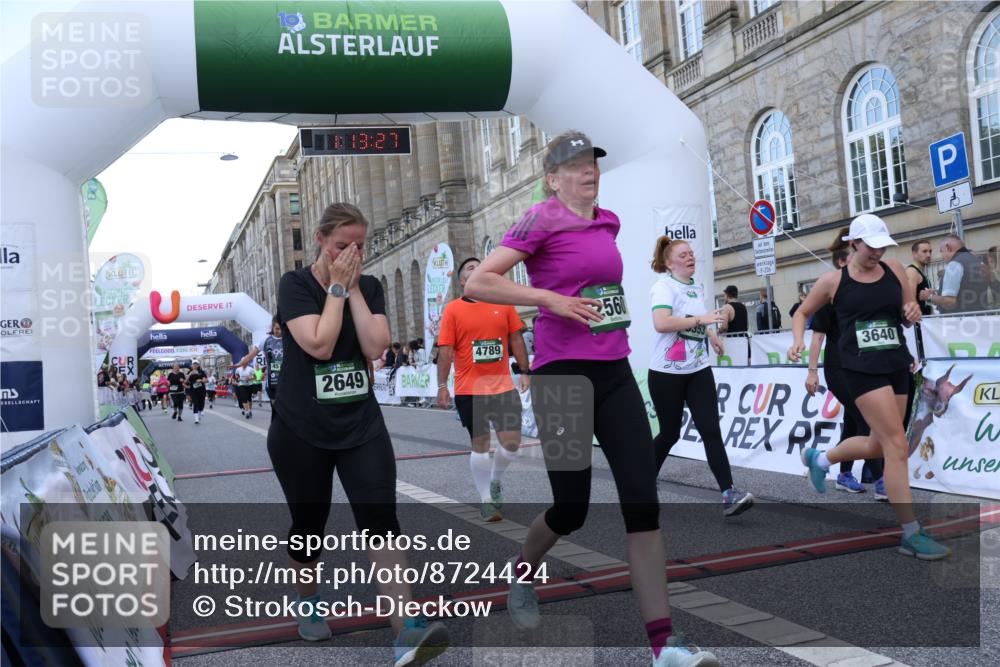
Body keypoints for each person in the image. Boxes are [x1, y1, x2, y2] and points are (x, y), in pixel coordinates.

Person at [465, 131, 718, 666]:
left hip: (615, 372)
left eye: (593, 163)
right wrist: (547, 299)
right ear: (553, 179)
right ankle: (522, 571)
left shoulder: (609, 222)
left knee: (641, 501)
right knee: (571, 508)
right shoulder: (539, 218)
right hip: (562, 378)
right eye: (575, 165)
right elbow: (482, 283)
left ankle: (663, 644)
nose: (588, 171)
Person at [269, 202, 448, 661]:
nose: (351, 254)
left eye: (359, 246)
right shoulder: (294, 285)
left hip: (361, 423)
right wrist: (334, 286)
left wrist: (352, 291)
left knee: (382, 523)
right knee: (309, 528)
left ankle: (407, 628)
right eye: (340, 246)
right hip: (301, 428)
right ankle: (308, 601)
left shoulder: (367, 286)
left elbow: (374, 345)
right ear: (320, 241)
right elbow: (321, 344)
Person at [790, 214, 950, 560]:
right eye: (871, 246)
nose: (877, 252)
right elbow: (802, 313)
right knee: (896, 446)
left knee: (879, 445)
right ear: (854, 244)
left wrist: (912, 311)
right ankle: (910, 533)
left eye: (882, 246)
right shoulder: (833, 282)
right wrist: (799, 343)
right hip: (860, 369)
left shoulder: (894, 269)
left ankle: (822, 458)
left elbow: (908, 306)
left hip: (896, 363)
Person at [647, 236, 754, 517]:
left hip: (698, 370)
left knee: (710, 429)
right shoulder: (663, 287)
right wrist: (702, 321)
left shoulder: (696, 286)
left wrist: (711, 335)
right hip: (666, 373)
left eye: (692, 254)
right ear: (669, 263)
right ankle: (644, 480)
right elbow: (662, 323)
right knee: (670, 432)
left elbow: (698, 318)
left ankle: (729, 493)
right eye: (683, 255)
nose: (690, 258)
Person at [436, 257, 530, 522]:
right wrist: (442, 385)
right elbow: (445, 350)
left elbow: (516, 339)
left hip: (502, 386)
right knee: (480, 444)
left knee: (512, 445)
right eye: (470, 268)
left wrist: (525, 371)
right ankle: (487, 500)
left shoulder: (503, 305)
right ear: (464, 282)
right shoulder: (453, 309)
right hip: (469, 389)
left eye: (481, 265)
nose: (476, 268)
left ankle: (495, 480)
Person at [806, 232, 880, 496]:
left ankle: (844, 473)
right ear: (841, 263)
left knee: (852, 420)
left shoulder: (862, 291)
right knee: (866, 418)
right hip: (837, 369)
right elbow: (816, 337)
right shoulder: (829, 293)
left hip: (861, 366)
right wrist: (812, 372)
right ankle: (882, 478)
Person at [930, 234, 990, 312]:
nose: (942, 256)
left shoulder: (954, 264)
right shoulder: (979, 262)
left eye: (941, 251)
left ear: (948, 247)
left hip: (958, 320)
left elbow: (949, 302)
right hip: (980, 317)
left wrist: (929, 297)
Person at [240, 316, 284, 413]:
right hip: (273, 382)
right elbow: (252, 354)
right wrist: (242, 362)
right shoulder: (265, 339)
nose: (280, 331)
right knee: (277, 411)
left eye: (282, 328)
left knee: (287, 411)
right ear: (272, 327)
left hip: (287, 380)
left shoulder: (288, 338)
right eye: (277, 328)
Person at [905, 239, 934, 316]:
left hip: (926, 321)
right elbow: (910, 299)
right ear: (915, 254)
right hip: (919, 322)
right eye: (924, 251)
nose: (928, 255)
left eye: (930, 251)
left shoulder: (920, 271)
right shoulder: (912, 271)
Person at [186, 360, 208, 425]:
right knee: (195, 403)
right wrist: (190, 374)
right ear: (192, 366)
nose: (195, 365)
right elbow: (186, 381)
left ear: (198, 365)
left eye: (196, 364)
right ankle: (196, 419)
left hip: (201, 390)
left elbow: (206, 380)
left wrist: (201, 380)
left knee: (201, 403)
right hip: (193, 391)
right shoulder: (189, 372)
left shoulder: (201, 372)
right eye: (193, 364)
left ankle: (200, 411)